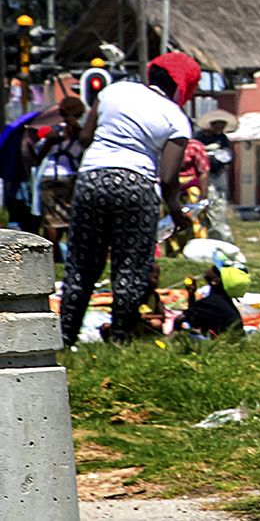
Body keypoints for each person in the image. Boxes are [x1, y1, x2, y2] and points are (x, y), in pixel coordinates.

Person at [58, 52, 200, 346]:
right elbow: (169, 177)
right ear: (184, 86)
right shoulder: (177, 118)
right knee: (130, 267)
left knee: (82, 264)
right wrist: (175, 212)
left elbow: (86, 137)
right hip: (137, 185)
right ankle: (120, 339)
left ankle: (64, 338)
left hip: (92, 178)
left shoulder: (113, 90)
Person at [34, 97, 88, 251]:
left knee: (51, 221)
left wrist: (38, 159)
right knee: (73, 219)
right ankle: (73, 254)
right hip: (72, 176)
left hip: (50, 175)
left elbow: (41, 155)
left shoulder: (54, 132)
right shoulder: (81, 133)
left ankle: (52, 255)